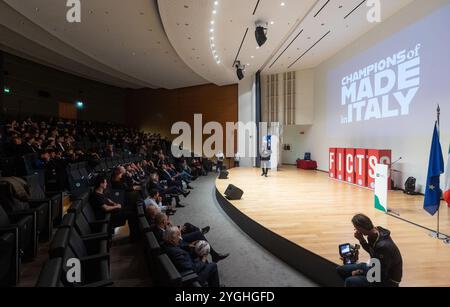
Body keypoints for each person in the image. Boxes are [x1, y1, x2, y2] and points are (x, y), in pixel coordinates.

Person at [336, 214, 403, 287]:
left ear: (361, 228)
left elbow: (380, 274)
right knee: (341, 269)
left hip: (387, 280)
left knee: (350, 281)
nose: (356, 231)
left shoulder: (383, 246)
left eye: (356, 228)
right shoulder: (374, 233)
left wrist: (360, 272)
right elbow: (372, 251)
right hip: (375, 267)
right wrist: (361, 239)